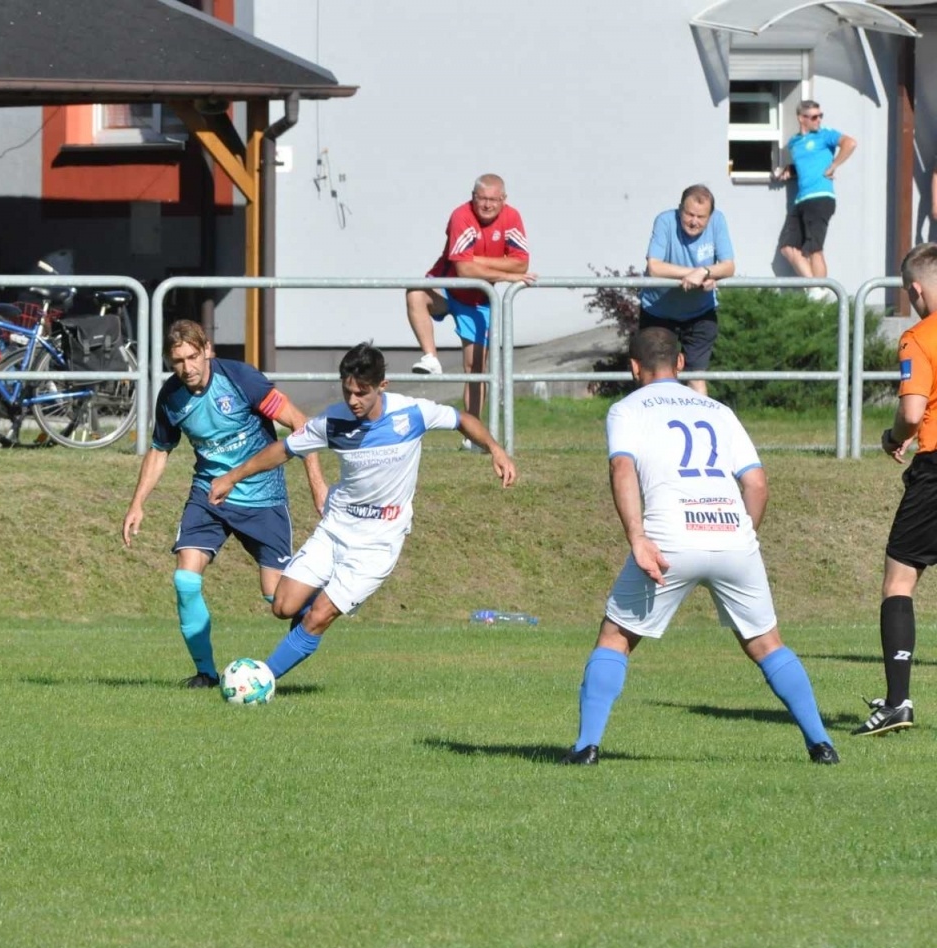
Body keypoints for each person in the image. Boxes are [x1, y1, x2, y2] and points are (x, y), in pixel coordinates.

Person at [563, 327, 836, 766]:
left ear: (634, 367)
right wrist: (743, 535)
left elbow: (621, 468)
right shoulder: (718, 410)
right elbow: (757, 483)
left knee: (615, 639)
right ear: (682, 364)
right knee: (767, 644)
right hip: (732, 530)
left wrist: (637, 536)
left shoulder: (626, 409)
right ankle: (821, 744)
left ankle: (586, 748)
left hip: (671, 537)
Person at [209, 343, 515, 681]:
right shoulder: (332, 422)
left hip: (379, 542)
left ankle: (261, 680)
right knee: (283, 606)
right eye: (347, 390)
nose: (353, 400)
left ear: (382, 386)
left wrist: (495, 450)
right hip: (337, 527)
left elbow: (462, 419)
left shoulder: (411, 414)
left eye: (362, 392)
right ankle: (313, 619)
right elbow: (283, 450)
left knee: (319, 617)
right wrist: (232, 477)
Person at [122, 319, 328, 689]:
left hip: (262, 497)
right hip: (209, 496)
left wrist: (316, 483)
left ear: (208, 350)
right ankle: (205, 673)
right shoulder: (171, 398)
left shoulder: (241, 380)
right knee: (185, 579)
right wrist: (137, 503)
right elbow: (159, 451)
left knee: (278, 600)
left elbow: (301, 424)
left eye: (193, 357)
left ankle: (328, 602)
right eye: (178, 361)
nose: (188, 368)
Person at [852, 242, 937, 739]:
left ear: (915, 290)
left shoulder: (918, 337)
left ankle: (898, 702)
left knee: (899, 580)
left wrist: (893, 439)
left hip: (934, 469)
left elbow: (910, 413)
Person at [406, 173, 533, 444]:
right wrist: (504, 272)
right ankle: (430, 357)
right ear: (473, 197)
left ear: (503, 199)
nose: (487, 205)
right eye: (481, 198)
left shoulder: (511, 218)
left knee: (476, 368)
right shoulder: (461, 216)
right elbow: (463, 270)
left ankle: (472, 435)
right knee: (415, 292)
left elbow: (521, 264)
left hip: (477, 298)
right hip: (445, 286)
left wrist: (480, 262)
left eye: (492, 199)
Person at [639, 185, 734, 397]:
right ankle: (653, 426)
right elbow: (654, 267)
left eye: (701, 217)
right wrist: (697, 274)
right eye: (689, 214)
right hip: (658, 311)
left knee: (696, 377)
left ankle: (699, 425)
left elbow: (728, 266)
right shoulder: (664, 221)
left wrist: (707, 272)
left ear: (710, 216)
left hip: (700, 312)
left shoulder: (718, 221)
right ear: (680, 208)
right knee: (655, 378)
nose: (694, 221)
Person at [773, 100, 855, 290]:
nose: (818, 120)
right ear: (801, 119)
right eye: (814, 117)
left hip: (820, 198)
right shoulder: (794, 142)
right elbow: (805, 164)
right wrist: (790, 169)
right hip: (801, 199)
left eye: (820, 116)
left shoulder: (825, 134)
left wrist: (834, 165)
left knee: (814, 250)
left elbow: (850, 143)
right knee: (788, 247)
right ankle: (816, 291)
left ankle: (819, 293)